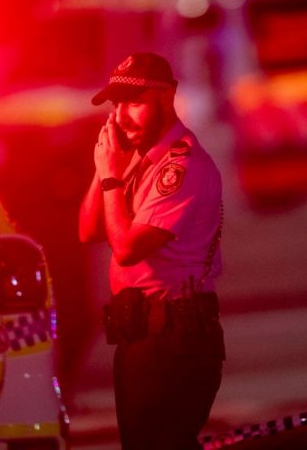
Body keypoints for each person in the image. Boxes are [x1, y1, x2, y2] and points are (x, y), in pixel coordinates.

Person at [78, 52, 225, 450]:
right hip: (141, 337)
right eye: (117, 104)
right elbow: (88, 230)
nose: (122, 116)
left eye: (134, 102)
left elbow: (127, 248)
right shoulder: (136, 160)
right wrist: (104, 169)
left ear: (166, 97)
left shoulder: (182, 166)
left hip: (175, 338)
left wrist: (111, 179)